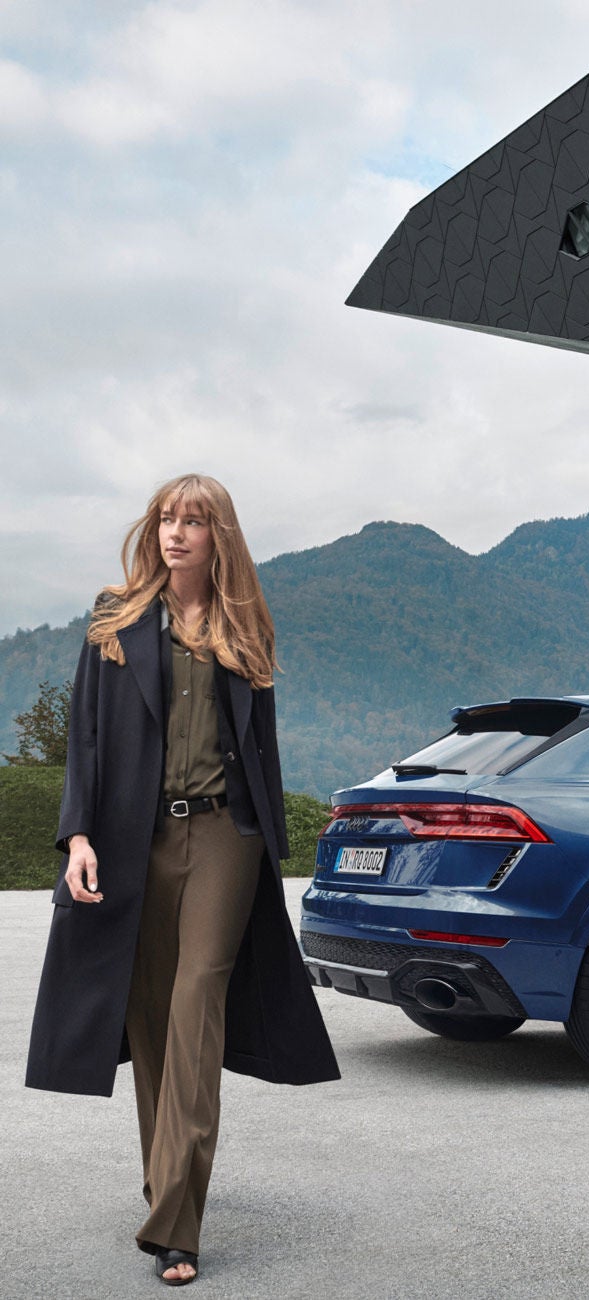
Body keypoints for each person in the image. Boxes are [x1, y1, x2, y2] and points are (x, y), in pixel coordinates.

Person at [26, 473, 339, 1286]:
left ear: (218, 536)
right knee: (151, 1016)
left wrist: (272, 839)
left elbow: (260, 750)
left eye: (194, 521)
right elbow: (85, 740)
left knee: (199, 1001)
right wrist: (78, 836)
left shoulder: (245, 628)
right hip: (135, 838)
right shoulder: (115, 621)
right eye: (168, 517)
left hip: (226, 836)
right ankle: (170, 1178)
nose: (176, 532)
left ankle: (177, 1223)